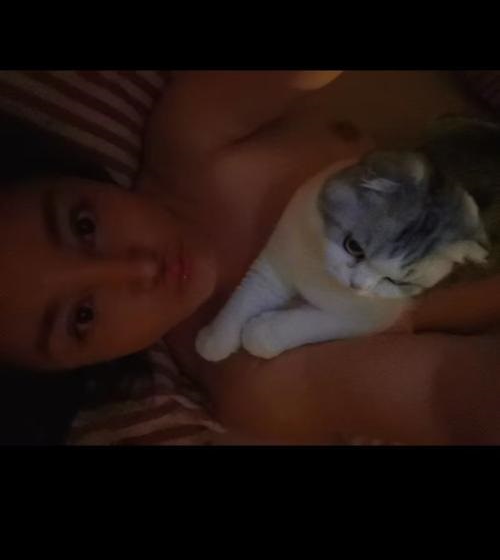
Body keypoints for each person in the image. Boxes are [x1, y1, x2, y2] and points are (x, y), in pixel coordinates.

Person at [1, 70, 499, 445]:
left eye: (84, 226)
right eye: (83, 317)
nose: (138, 268)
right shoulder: (256, 382)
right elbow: (440, 394)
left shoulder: (192, 138)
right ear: (80, 371)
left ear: (72, 174)